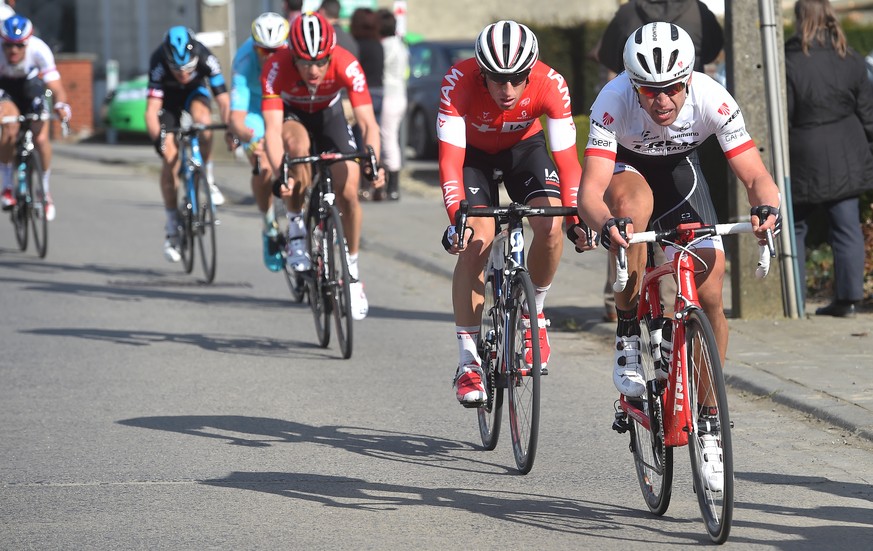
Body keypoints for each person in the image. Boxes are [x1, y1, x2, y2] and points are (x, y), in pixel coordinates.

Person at [576, 22, 782, 491]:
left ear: (688, 79)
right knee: (632, 215)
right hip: (626, 171)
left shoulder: (713, 97)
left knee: (711, 286)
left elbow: (755, 176)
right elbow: (590, 191)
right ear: (633, 84)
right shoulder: (613, 99)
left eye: (672, 89)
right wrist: (605, 225)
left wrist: (766, 207)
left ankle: (708, 422)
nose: (662, 101)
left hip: (680, 172)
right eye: (650, 91)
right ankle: (628, 332)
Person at [438, 20, 592, 407]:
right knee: (476, 240)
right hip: (472, 157)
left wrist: (576, 218)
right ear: (481, 72)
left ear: (531, 72)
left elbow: (568, 163)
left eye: (517, 79)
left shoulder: (550, 83)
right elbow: (450, 163)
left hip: (526, 153)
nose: (507, 91)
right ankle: (468, 362)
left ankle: (534, 316)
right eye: (496, 80)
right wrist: (457, 215)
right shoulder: (457, 82)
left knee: (551, 222)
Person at [595, 0, 725, 322]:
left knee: (627, 227)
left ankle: (625, 302)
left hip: (666, 135)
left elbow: (607, 54)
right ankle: (652, 311)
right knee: (628, 211)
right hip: (639, 140)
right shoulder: (698, 11)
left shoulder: (627, 13)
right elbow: (715, 47)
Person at [261, 11, 385, 320]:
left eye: (320, 62)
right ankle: (296, 229)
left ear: (331, 55)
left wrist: (373, 162)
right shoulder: (276, 67)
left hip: (329, 116)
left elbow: (368, 123)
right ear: (293, 57)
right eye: (305, 63)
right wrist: (281, 174)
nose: (313, 70)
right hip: (294, 117)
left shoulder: (347, 63)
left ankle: (353, 274)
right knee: (298, 149)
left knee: (349, 190)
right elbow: (272, 132)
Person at [785, 0, 873, 318]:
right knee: (846, 226)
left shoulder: (789, 60)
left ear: (799, 19)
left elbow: (787, 115)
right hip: (847, 150)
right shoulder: (849, 57)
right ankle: (848, 300)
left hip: (803, 152)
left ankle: (792, 297)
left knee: (794, 225)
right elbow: (868, 112)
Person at [144, 26, 230, 263]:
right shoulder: (158, 61)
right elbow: (151, 112)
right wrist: (159, 140)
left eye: (188, 69)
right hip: (168, 102)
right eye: (177, 70)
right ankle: (172, 226)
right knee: (170, 159)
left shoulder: (206, 57)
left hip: (195, 94)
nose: (183, 74)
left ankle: (208, 178)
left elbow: (223, 101)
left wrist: (231, 126)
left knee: (203, 121)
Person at [227, 12, 290, 273]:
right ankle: (269, 224)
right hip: (255, 107)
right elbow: (237, 118)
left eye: (276, 49)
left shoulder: (291, 53)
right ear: (255, 46)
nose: (270, 55)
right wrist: (252, 139)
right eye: (264, 50)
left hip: (284, 101)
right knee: (264, 164)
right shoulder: (244, 60)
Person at [0, 15, 70, 221]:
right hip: (5, 90)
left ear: (28, 42)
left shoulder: (39, 49)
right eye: (8, 46)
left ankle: (45, 191)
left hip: (31, 87)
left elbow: (56, 86)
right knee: (9, 125)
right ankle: (7, 185)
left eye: (20, 46)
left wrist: (61, 105)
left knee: (41, 138)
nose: (13, 51)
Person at [349, 7, 383, 200]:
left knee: (359, 139)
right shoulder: (378, 44)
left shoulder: (357, 45)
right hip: (380, 92)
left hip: (365, 93)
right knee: (375, 136)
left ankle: (363, 184)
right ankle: (378, 183)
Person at [377, 8, 408, 201]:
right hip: (400, 94)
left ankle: (393, 186)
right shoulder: (400, 44)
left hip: (389, 94)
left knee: (387, 139)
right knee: (391, 137)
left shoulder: (386, 46)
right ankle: (391, 183)